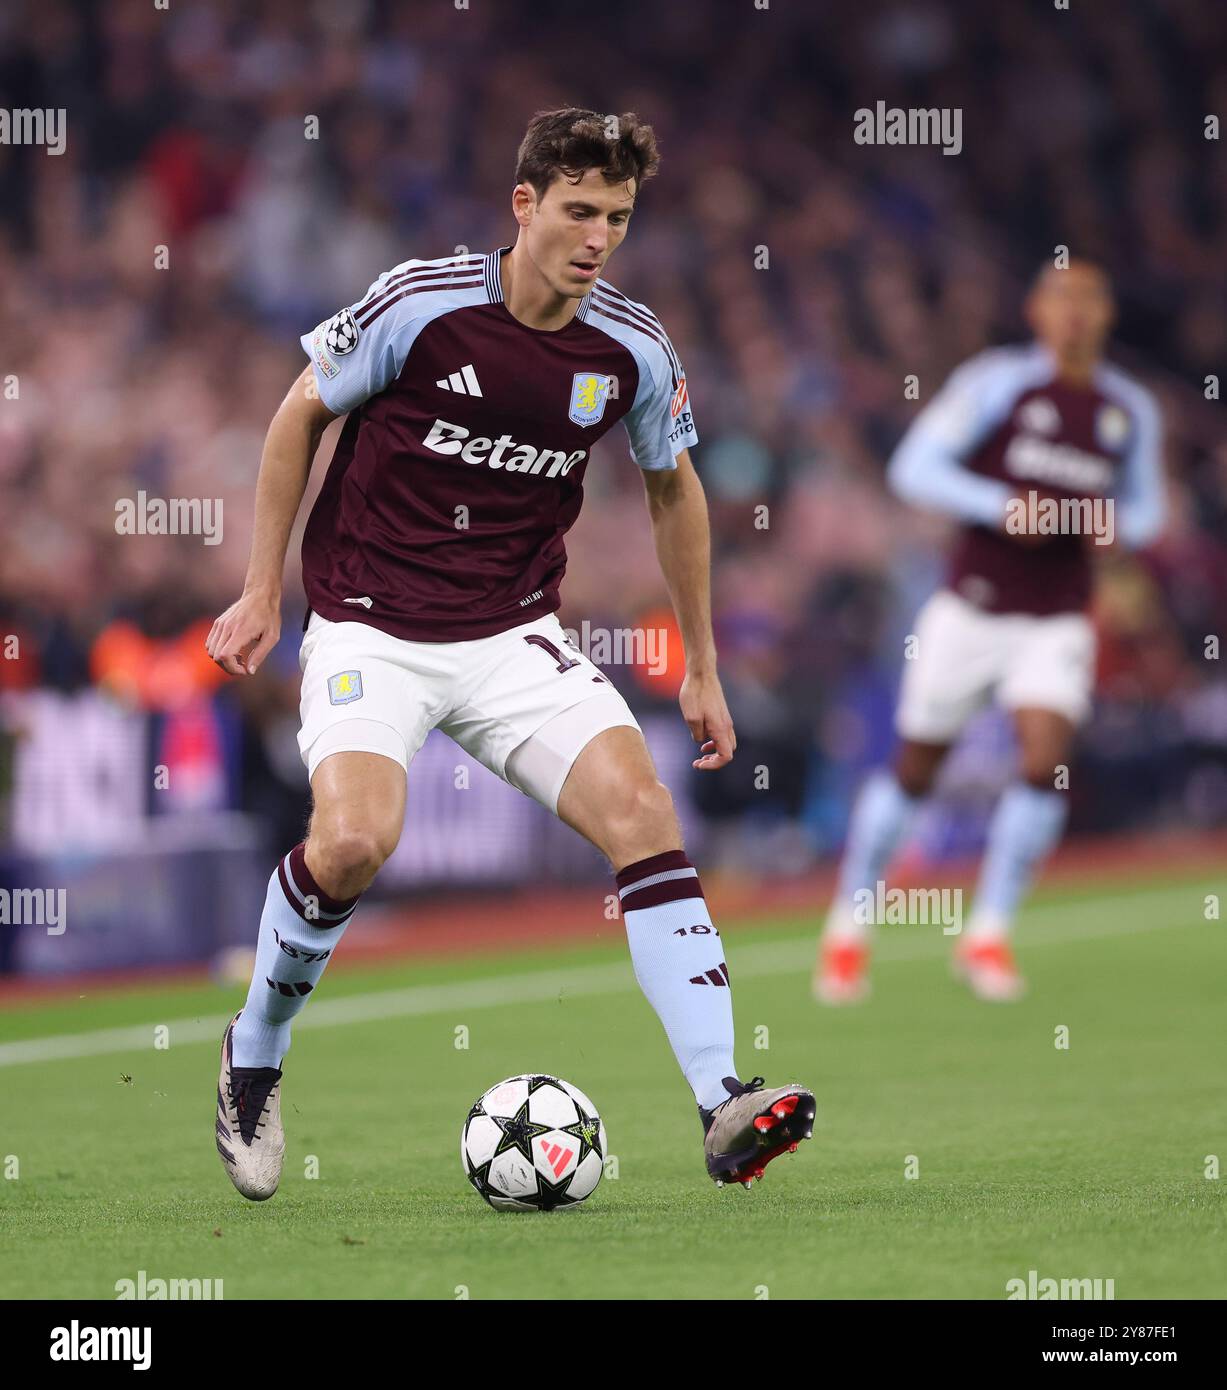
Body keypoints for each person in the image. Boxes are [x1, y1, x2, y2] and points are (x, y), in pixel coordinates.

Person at [207, 108, 813, 1200]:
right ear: (524, 205)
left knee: (644, 812)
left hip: (510, 636)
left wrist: (705, 662)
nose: (596, 237)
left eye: (617, 218)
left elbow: (676, 488)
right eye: (578, 211)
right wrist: (262, 589)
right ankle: (254, 1051)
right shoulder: (421, 304)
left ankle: (724, 1097)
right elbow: (298, 416)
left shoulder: (630, 345)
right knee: (350, 844)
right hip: (368, 625)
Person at [816, 259, 1165, 1004]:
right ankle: (847, 930)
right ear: (1037, 311)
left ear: (1103, 316)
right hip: (969, 608)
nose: (1073, 314)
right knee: (915, 769)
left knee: (1043, 760)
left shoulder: (1127, 408)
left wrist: (1116, 528)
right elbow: (914, 468)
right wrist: (1000, 503)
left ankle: (987, 933)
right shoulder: (997, 382)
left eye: (1088, 302)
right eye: (1060, 299)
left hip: (1057, 617)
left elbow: (1147, 509)